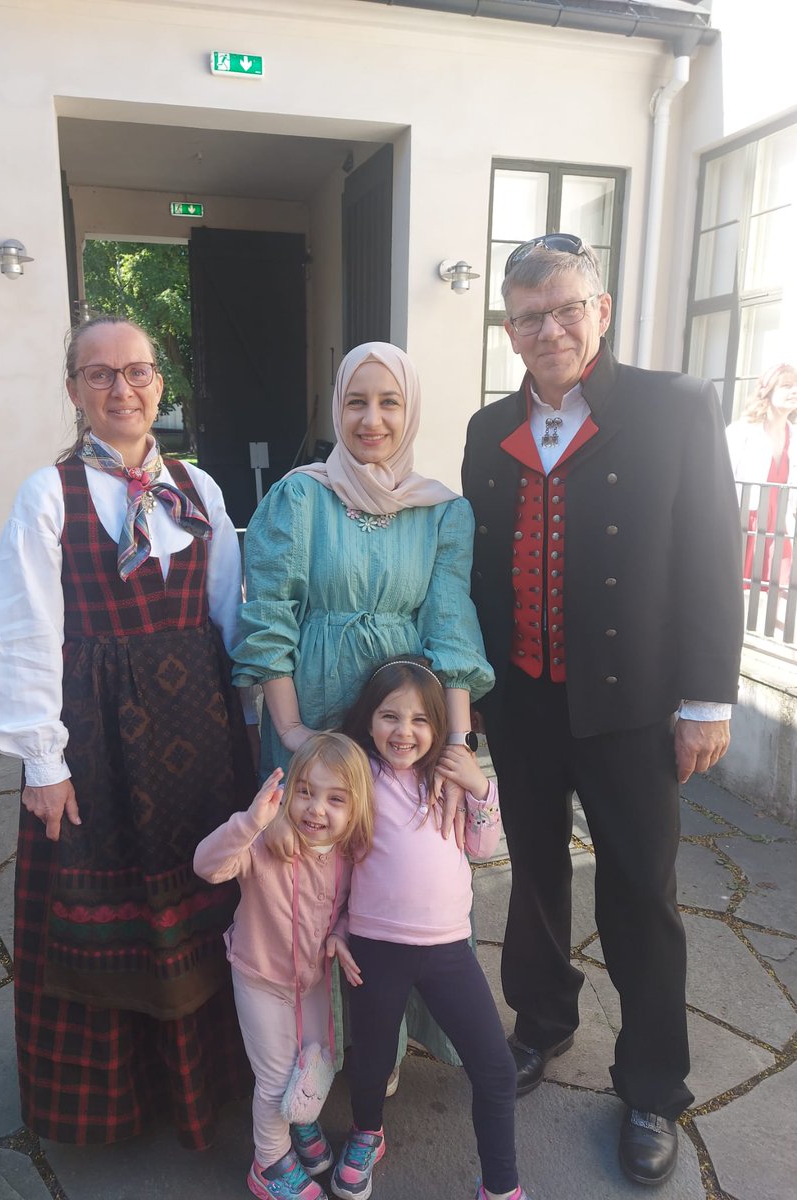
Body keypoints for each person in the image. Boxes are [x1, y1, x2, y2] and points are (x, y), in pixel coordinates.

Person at [461, 235, 743, 1187]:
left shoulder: (675, 408)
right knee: (534, 879)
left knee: (641, 895)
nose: (551, 329)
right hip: (524, 700)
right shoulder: (483, 427)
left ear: (603, 310)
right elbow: (477, 567)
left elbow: (713, 554)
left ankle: (654, 1086)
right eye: (531, 316)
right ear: (510, 329)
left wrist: (708, 700)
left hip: (634, 706)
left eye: (567, 308)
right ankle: (540, 1025)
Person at [0, 314, 257, 1149]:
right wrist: (42, 763)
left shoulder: (199, 489)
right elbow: (24, 630)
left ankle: (210, 1083)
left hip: (199, 737)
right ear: (74, 391)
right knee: (110, 910)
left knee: (205, 901)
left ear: (160, 383)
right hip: (96, 741)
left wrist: (249, 732)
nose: (122, 389)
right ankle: (119, 1102)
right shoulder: (47, 494)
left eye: (136, 372)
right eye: (99, 375)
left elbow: (228, 615)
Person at [233, 341, 495, 1067]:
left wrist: (458, 744)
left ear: (410, 412)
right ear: (336, 407)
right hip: (312, 708)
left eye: (389, 403)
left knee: (397, 868)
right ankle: (310, 1049)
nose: (371, 419)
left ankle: (387, 1040)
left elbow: (451, 628)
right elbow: (271, 616)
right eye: (357, 401)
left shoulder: (441, 511)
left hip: (402, 722)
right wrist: (287, 727)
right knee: (311, 876)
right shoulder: (299, 497)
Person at [328, 657, 528, 1200]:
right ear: (369, 721)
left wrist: (480, 785)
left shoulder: (450, 780)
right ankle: (367, 1133)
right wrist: (338, 925)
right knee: (369, 1063)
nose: (404, 731)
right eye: (390, 716)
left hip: (447, 951)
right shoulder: (358, 774)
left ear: (439, 727)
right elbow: (336, 858)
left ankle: (501, 1187)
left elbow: (483, 848)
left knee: (494, 1069)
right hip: (374, 946)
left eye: (420, 720)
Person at [193, 733, 375, 1200]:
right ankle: (269, 1163)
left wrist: (341, 933)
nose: (316, 809)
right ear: (287, 791)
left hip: (312, 980)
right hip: (259, 978)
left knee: (312, 1057)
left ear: (356, 811)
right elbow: (206, 866)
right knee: (275, 1079)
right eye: (306, 792)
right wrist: (251, 824)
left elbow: (355, 907)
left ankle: (302, 1124)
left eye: (335, 799)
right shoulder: (263, 845)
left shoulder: (349, 856)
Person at [725, 362, 797, 588]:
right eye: (786, 386)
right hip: (746, 523)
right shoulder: (742, 431)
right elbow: (721, 480)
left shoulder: (794, 436)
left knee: (781, 592)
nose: (794, 391)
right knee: (738, 590)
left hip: (781, 527)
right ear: (768, 390)